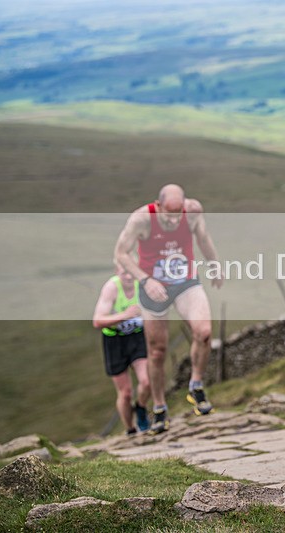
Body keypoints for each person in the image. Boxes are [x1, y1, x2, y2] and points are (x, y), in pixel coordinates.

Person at [114, 184, 223, 435]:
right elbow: (121, 253)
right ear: (158, 206)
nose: (174, 221)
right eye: (169, 215)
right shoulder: (142, 219)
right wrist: (145, 280)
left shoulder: (193, 212)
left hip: (185, 281)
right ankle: (160, 407)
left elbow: (203, 238)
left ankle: (195, 385)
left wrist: (215, 264)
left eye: (178, 214)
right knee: (157, 351)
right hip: (152, 286)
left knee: (204, 332)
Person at [92, 265, 151, 435]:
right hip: (114, 340)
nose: (128, 275)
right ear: (117, 272)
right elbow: (97, 321)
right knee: (125, 393)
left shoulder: (143, 284)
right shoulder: (111, 288)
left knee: (146, 381)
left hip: (137, 337)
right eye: (124, 271)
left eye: (131, 271)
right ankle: (130, 429)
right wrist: (125, 315)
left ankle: (140, 407)